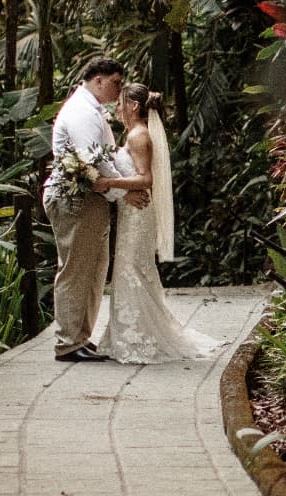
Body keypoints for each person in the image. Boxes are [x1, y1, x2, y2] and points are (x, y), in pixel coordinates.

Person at [91, 83, 222, 363]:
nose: (117, 107)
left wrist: (108, 183)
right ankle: (129, 333)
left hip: (139, 216)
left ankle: (138, 336)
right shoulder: (133, 134)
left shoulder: (139, 136)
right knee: (130, 270)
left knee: (132, 270)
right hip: (131, 214)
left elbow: (145, 179)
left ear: (134, 106)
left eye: (121, 103)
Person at [42, 57, 149, 362]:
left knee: (94, 268)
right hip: (74, 198)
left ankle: (80, 337)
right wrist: (123, 193)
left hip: (91, 197)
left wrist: (117, 189)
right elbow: (93, 161)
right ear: (98, 80)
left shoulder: (91, 110)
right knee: (76, 269)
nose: (119, 89)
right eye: (116, 82)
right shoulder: (81, 112)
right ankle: (67, 342)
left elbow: (105, 159)